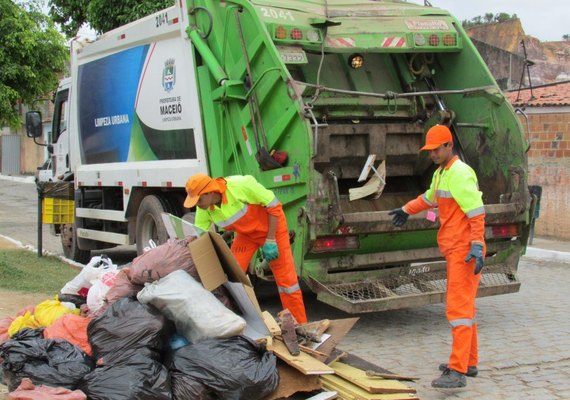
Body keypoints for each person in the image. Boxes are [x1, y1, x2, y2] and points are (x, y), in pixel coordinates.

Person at [389, 125, 485, 388]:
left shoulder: (459, 173)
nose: (431, 154)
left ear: (448, 146)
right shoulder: (441, 173)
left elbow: (477, 213)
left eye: (435, 149)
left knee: (458, 310)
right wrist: (407, 209)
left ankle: (457, 372)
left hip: (465, 250)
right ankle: (469, 362)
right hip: (456, 248)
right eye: (428, 150)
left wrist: (476, 245)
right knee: (466, 309)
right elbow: (429, 199)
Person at [184, 173, 308, 324]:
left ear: (209, 192)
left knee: (287, 283)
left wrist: (270, 240)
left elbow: (274, 205)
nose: (197, 205)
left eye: (199, 200)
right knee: (232, 276)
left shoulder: (241, 186)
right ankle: (232, 322)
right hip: (247, 235)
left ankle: (300, 326)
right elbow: (198, 235)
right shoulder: (204, 208)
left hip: (272, 231)